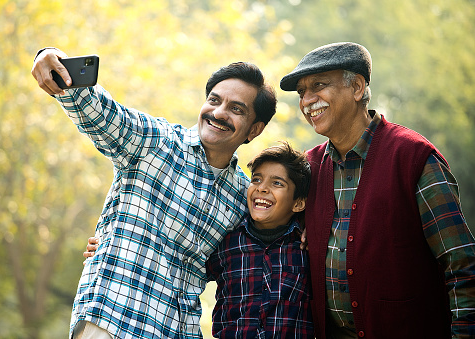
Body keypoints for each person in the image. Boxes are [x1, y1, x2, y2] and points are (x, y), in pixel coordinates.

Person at [31, 48, 277, 339]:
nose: (219, 113)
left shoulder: (242, 196)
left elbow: (244, 256)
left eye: (237, 109)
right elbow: (99, 111)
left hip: (176, 331)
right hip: (112, 322)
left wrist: (303, 236)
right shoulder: (154, 141)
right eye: (214, 100)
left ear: (254, 130)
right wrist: (51, 57)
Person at [279, 41, 475, 338]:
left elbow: (461, 263)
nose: (307, 100)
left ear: (357, 87)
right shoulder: (310, 167)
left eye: (318, 85)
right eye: (301, 92)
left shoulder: (413, 157)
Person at [86, 141, 315, 338]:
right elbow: (175, 262)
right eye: (256, 179)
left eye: (277, 183)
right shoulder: (226, 242)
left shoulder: (307, 247)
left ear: (298, 203)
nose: (262, 189)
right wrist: (114, 244)